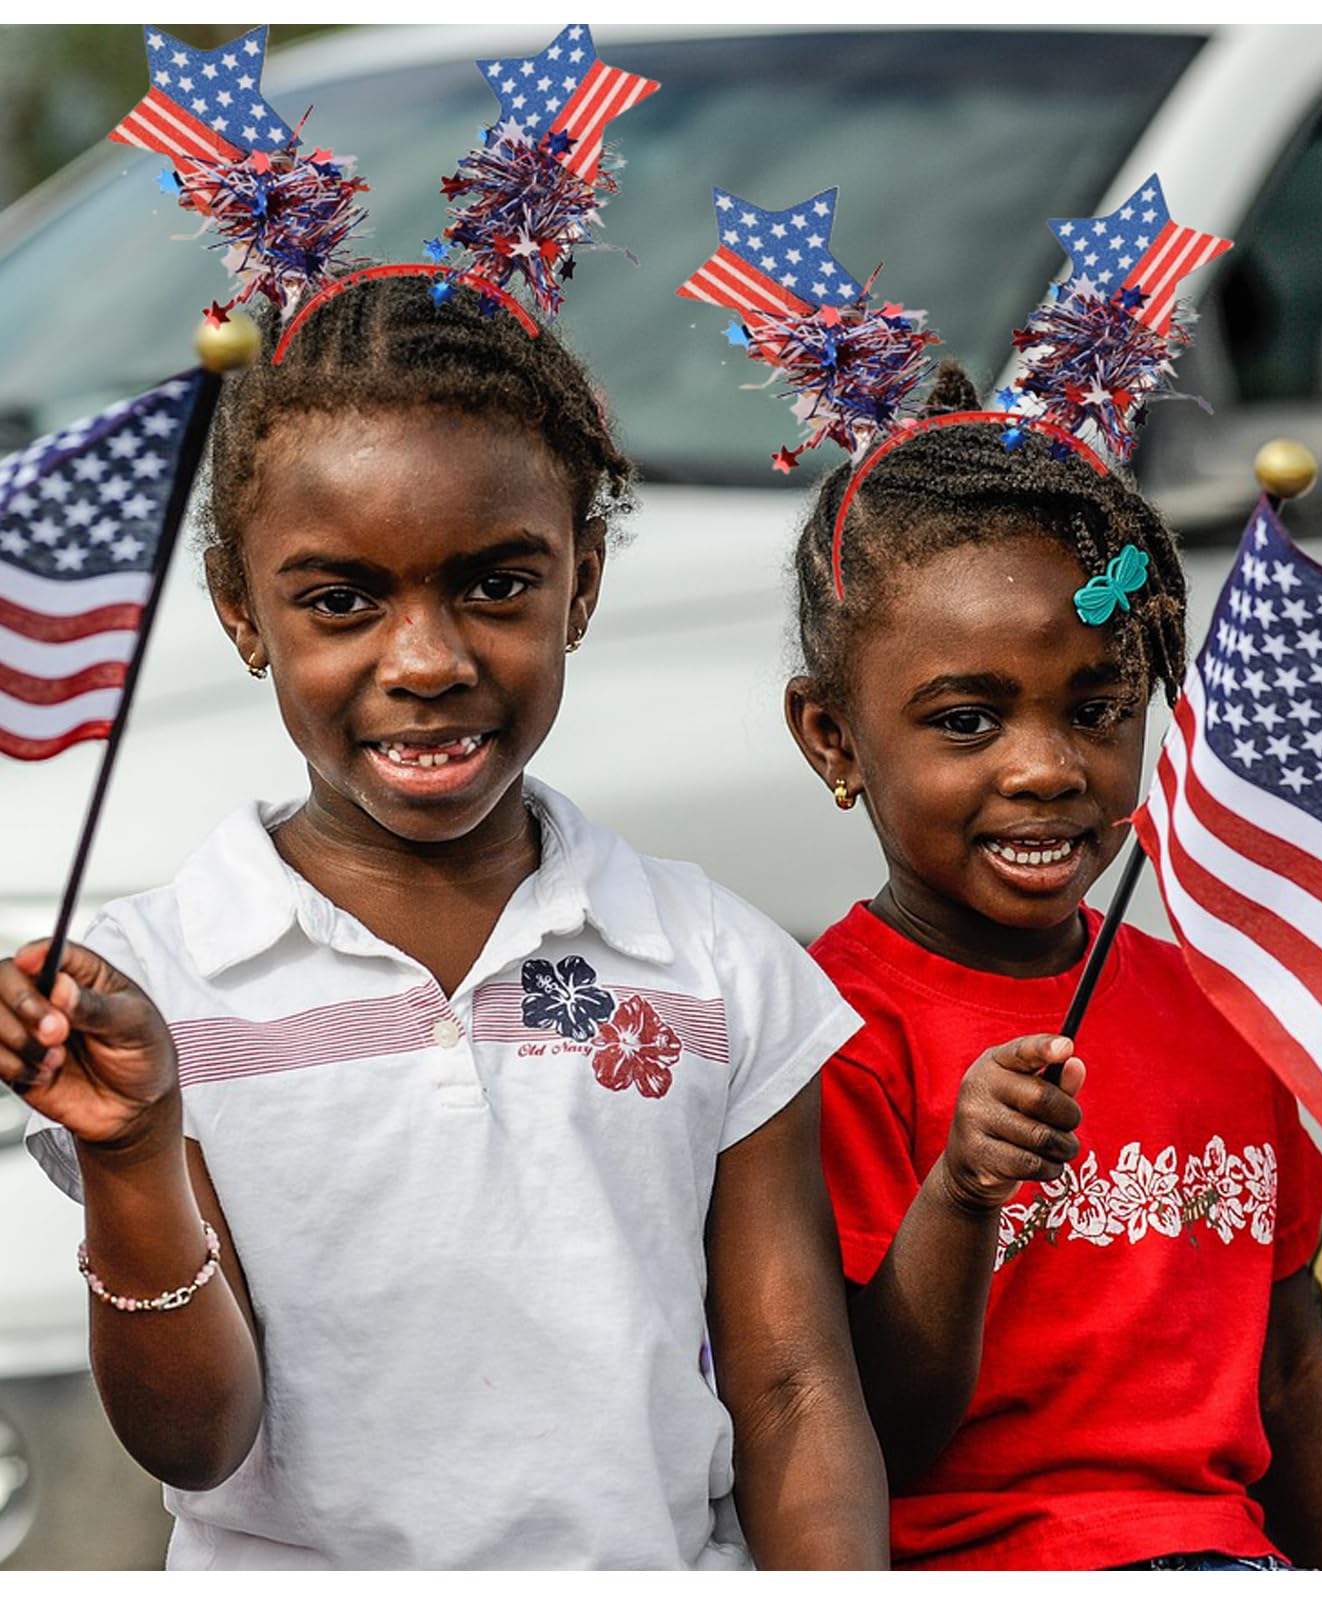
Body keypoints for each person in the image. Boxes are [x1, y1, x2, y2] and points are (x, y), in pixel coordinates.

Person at [0, 275, 888, 1570]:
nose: (426, 661)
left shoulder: (715, 963)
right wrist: (136, 1153)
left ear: (579, 583)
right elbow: (193, 1440)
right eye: (341, 601)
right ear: (242, 612)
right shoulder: (159, 987)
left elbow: (796, 1394)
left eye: (494, 585)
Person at [782, 362, 1322, 1571]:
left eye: (1099, 708)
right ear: (833, 736)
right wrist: (960, 1191)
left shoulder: (1216, 1004)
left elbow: (1290, 1359)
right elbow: (865, 1431)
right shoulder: (821, 1029)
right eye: (968, 720)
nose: (1048, 769)